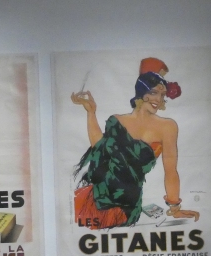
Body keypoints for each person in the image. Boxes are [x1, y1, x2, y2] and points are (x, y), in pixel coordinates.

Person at [69, 57, 198, 229]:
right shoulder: (116, 120)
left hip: (125, 205)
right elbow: (100, 147)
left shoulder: (167, 127)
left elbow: (171, 171)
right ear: (141, 93)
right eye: (153, 93)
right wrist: (91, 112)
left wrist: (175, 208)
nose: (158, 99)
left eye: (162, 95)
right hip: (97, 194)